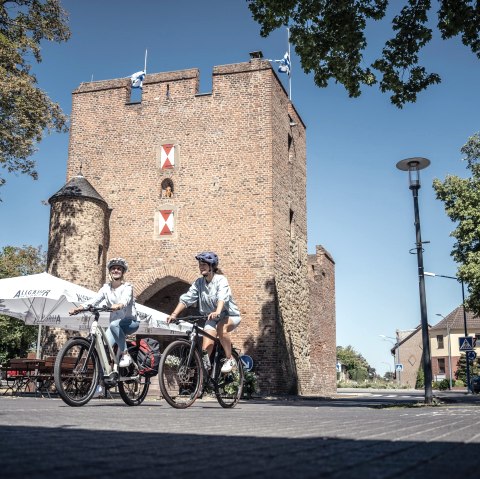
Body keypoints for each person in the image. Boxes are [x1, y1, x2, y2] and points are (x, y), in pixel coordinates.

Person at [167, 251, 241, 373]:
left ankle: (230, 359)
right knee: (206, 349)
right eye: (200, 265)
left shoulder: (221, 280)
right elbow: (187, 298)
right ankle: (204, 374)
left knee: (221, 328)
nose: (201, 267)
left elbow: (222, 297)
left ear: (212, 266)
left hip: (229, 315)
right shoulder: (199, 283)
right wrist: (174, 314)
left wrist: (217, 311)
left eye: (204, 264)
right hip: (211, 318)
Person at [69, 257, 139, 368]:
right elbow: (95, 300)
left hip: (130, 322)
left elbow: (125, 299)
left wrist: (119, 305)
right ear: (110, 272)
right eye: (113, 268)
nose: (116, 270)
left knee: (114, 324)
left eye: (119, 269)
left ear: (123, 272)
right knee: (102, 348)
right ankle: (102, 381)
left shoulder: (127, 287)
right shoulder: (106, 288)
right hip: (114, 325)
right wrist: (81, 307)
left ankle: (126, 355)